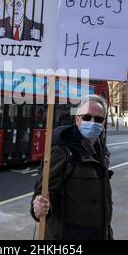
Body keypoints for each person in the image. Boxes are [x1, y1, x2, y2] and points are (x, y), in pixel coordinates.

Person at [30, 95, 113, 240]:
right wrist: (38, 207)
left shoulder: (102, 152)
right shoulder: (63, 151)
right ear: (78, 120)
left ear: (103, 123)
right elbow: (44, 192)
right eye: (87, 117)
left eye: (98, 119)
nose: (92, 122)